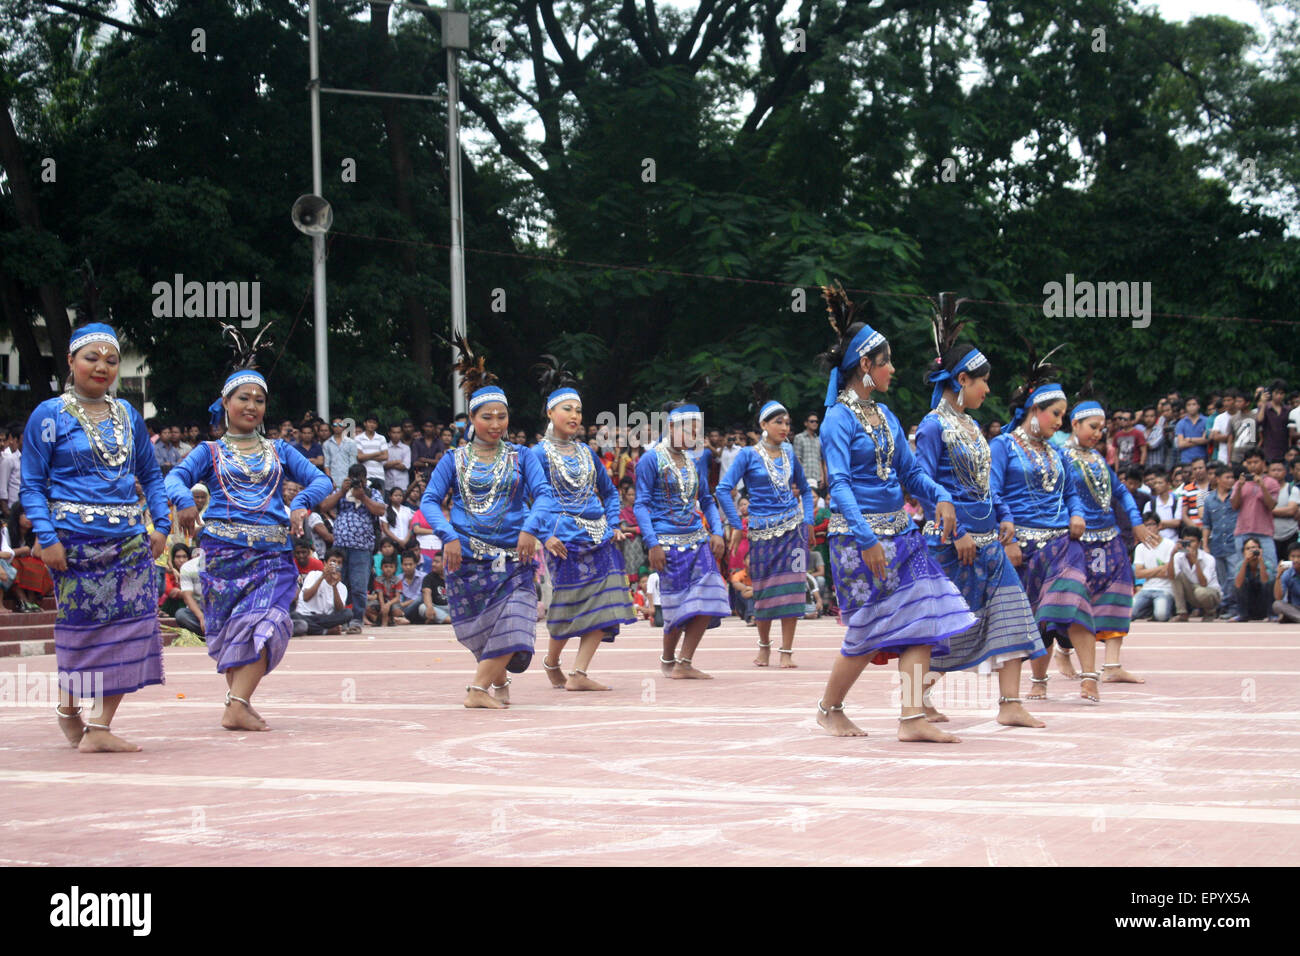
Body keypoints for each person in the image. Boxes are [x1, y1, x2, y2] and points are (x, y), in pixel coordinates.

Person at [813, 283, 975, 741]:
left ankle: (911, 719)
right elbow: (839, 484)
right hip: (856, 538)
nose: (893, 369)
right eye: (886, 361)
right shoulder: (836, 419)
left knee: (923, 620)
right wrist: (865, 536)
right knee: (866, 631)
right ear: (865, 365)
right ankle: (829, 708)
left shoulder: (883, 416)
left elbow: (911, 473)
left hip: (902, 533)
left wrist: (940, 494)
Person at [21, 313, 171, 753]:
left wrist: (159, 522)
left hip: (128, 539)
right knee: (82, 630)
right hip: (73, 541)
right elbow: (32, 483)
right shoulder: (49, 415)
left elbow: (150, 474)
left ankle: (101, 727)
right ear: (70, 361)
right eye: (92, 358)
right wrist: (46, 537)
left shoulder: (127, 413)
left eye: (111, 360)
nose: (102, 367)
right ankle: (69, 708)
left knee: (132, 629)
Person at [166, 341, 332, 732]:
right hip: (224, 553)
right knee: (236, 629)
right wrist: (183, 500)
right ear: (225, 402)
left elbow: (320, 479)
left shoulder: (279, 450)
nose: (252, 406)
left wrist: (300, 503)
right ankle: (237, 704)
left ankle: (237, 702)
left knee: (271, 621)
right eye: (244, 398)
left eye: (259, 400)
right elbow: (175, 477)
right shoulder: (208, 451)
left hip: (273, 552)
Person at [913, 320, 1046, 728]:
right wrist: (956, 533)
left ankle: (1009, 703)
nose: (987, 390)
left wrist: (1004, 515)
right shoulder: (933, 426)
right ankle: (915, 696)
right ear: (962, 379)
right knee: (949, 625)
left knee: (1014, 609)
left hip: (988, 538)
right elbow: (922, 486)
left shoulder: (972, 427)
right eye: (982, 382)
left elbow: (986, 486)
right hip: (949, 541)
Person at [420, 341, 554, 708]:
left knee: (517, 618)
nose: (496, 424)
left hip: (515, 557)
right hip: (466, 558)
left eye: (502, 417)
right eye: (487, 417)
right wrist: (446, 534)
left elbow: (544, 495)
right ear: (471, 420)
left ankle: (477, 690)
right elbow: (429, 501)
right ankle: (496, 676)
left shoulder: (522, 455)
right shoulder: (454, 459)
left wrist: (530, 526)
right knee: (482, 631)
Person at [990, 347, 1098, 702]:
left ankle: (1090, 676)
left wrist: (1078, 512)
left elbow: (1072, 493)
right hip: (1021, 543)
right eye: (1055, 414)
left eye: (1063, 416)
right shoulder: (1003, 446)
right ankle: (1037, 681)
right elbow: (993, 491)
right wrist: (1007, 536)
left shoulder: (1058, 453)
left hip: (1062, 542)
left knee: (1073, 603)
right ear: (1034, 410)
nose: (1059, 422)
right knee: (1034, 616)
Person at [531, 367, 635, 691]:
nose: (575, 415)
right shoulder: (536, 455)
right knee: (567, 607)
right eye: (567, 409)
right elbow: (527, 501)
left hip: (599, 537)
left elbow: (608, 491)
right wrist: (545, 536)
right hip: (563, 542)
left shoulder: (587, 452)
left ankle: (578, 673)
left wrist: (614, 523)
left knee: (605, 605)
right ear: (550, 412)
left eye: (578, 410)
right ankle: (551, 662)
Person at [715, 391, 815, 668]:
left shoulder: (790, 452)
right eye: (779, 423)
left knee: (793, 589)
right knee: (764, 591)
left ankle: (787, 651)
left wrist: (807, 522)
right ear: (764, 425)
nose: (785, 428)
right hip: (761, 532)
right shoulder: (748, 455)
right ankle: (764, 648)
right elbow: (723, 490)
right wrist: (736, 524)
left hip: (793, 530)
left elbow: (805, 490)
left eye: (787, 423)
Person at [633, 400, 730, 680]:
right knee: (677, 607)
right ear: (672, 427)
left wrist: (717, 532)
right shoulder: (650, 459)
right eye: (691, 430)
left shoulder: (694, 460)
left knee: (709, 596)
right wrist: (652, 542)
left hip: (698, 541)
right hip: (667, 542)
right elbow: (641, 505)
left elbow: (707, 500)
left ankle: (684, 662)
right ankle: (668, 658)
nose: (696, 437)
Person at [319, 464, 386, 633]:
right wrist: (342, 491)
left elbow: (380, 510)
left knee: (358, 586)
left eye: (360, 478)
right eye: (353, 477)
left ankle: (356, 620)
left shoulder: (372, 492)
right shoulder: (341, 492)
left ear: (365, 478)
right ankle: (341, 619)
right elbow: (324, 507)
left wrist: (363, 497)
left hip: (362, 548)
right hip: (340, 547)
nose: (357, 481)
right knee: (339, 583)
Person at [1231, 450, 1281, 580]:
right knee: (1242, 571)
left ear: (1263, 463)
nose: (1253, 465)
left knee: (1270, 570)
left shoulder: (1271, 483)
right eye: (1249, 462)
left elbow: (1272, 505)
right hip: (1242, 532)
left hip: (1264, 533)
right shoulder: (1239, 483)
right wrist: (1240, 487)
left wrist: (1262, 486)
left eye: (1256, 462)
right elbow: (1234, 506)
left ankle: (1270, 600)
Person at [1201, 463, 1241, 619]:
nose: (1231, 480)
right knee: (1222, 578)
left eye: (1232, 477)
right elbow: (1206, 524)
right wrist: (1205, 543)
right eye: (1227, 477)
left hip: (1234, 543)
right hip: (1217, 543)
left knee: (1233, 576)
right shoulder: (1209, 499)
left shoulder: (1236, 496)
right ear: (1217, 479)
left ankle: (1234, 607)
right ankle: (1225, 606)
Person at [292, 549, 353, 635]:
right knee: (295, 617)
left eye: (339, 563)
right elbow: (306, 597)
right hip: (306, 615)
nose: (336, 565)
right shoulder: (313, 575)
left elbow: (340, 609)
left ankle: (314, 629)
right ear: (325, 563)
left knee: (348, 613)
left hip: (324, 618)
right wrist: (322, 577)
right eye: (333, 562)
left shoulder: (342, 587)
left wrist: (334, 586)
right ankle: (324, 631)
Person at [1132, 512, 1177, 622]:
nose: (1149, 528)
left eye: (1151, 524)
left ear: (1159, 526)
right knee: (1128, 614)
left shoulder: (1170, 544)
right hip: (1146, 588)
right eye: (1146, 526)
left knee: (1161, 616)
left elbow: (1168, 573)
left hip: (1165, 589)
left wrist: (1147, 572)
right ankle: (1150, 608)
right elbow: (1138, 574)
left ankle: (1156, 608)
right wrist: (1160, 569)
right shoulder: (1140, 547)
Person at [1171, 526, 1221, 621]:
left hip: (1210, 593)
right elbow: (1171, 576)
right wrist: (1171, 555)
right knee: (1176, 575)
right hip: (1192, 592)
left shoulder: (1208, 558)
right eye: (1186, 542)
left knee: (1200, 592)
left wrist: (1195, 561)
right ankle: (1182, 613)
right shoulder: (1178, 556)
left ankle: (1210, 612)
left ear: (1199, 543)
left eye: (1192, 541)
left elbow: (1203, 583)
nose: (1189, 545)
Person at [1234, 536, 1272, 621]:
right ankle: (1242, 615)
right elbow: (1238, 585)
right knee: (1242, 581)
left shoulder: (1267, 563)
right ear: (1243, 552)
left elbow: (1265, 582)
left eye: (1254, 548)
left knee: (1269, 583)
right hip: (1248, 603)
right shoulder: (1240, 565)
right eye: (1248, 549)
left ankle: (1270, 615)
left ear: (1260, 550)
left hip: (1263, 603)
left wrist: (1260, 560)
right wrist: (1245, 562)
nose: (1251, 551)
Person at [1269, 459, 1299, 560]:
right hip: (1270, 536)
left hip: (1290, 535)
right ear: (1268, 472)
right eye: (1273, 470)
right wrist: (1283, 511)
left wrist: (1268, 511)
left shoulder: (1292, 490)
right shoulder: (1264, 491)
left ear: (1285, 472)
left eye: (1279, 470)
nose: (1276, 472)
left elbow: (1291, 510)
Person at [355, 414, 389, 493]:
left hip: (379, 475)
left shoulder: (381, 438)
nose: (372, 425)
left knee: (380, 501)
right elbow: (359, 457)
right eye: (370, 422)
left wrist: (366, 456)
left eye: (374, 423)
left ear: (377, 425)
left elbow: (385, 456)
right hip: (365, 476)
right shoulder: (358, 438)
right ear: (365, 423)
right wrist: (377, 453)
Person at [323, 418, 358, 489]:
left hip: (348, 479)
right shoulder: (326, 444)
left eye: (340, 425)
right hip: (333, 480)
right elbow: (326, 464)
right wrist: (330, 481)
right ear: (332, 427)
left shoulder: (351, 443)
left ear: (344, 427)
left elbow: (353, 463)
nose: (337, 427)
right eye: (335, 425)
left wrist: (350, 479)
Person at [370, 553, 403, 626]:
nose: (388, 569)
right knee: (368, 607)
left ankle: (389, 619)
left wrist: (388, 604)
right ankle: (385, 620)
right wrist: (383, 606)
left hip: (392, 602)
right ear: (381, 568)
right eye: (386, 566)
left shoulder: (397, 580)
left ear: (395, 569)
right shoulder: (378, 579)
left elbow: (397, 598)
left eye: (391, 567)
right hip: (380, 602)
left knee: (397, 612)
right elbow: (380, 595)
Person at [419, 550, 452, 624]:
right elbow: (426, 593)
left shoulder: (453, 576)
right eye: (433, 561)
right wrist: (430, 607)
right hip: (436, 608)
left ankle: (441, 619)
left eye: (437, 562)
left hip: (452, 608)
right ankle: (450, 620)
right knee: (422, 607)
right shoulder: (429, 577)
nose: (433, 564)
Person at [1175, 396, 1209, 465]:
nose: (1191, 407)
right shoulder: (1181, 423)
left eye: (1194, 404)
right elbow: (1180, 444)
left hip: (1202, 458)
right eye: (1189, 405)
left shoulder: (1206, 421)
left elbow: (1207, 440)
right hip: (1186, 459)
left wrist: (1189, 439)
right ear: (1186, 407)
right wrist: (1200, 440)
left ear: (1198, 406)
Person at [793, 411, 823, 489]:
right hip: (804, 476)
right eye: (812, 421)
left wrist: (822, 477)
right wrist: (800, 475)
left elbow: (819, 460)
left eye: (816, 421)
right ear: (806, 423)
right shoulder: (799, 437)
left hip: (817, 478)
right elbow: (797, 458)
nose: (815, 423)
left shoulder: (819, 440)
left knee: (816, 500)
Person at [1272, 541, 1300, 623]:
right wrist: (1278, 577)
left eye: (1299, 557)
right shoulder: (1287, 573)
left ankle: (1292, 617)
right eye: (1293, 556)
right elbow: (1278, 598)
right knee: (1277, 605)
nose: (1296, 560)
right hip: (1295, 608)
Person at [384, 423, 411, 493]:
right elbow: (383, 466)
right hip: (388, 485)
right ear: (389, 433)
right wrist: (397, 462)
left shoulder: (406, 448)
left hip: (402, 485)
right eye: (393, 432)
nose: (396, 435)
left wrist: (390, 464)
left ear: (401, 433)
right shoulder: (384, 447)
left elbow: (405, 466)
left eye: (398, 432)